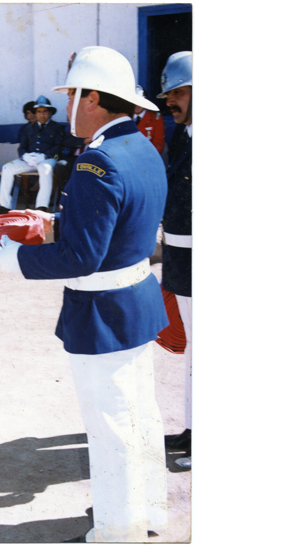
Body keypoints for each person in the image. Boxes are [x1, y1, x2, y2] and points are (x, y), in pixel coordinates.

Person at [0, 46, 169, 543]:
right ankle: (147, 512)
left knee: (110, 429)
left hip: (103, 311)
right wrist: (60, 222)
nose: (67, 106)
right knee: (140, 416)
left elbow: (81, 257)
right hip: (135, 300)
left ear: (92, 98)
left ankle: (116, 531)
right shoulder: (142, 147)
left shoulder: (98, 161)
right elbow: (120, 222)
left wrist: (13, 260)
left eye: (71, 96)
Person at [157, 51, 193, 472]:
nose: (171, 102)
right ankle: (192, 429)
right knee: (193, 354)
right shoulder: (183, 135)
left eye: (179, 93)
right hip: (181, 255)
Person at [0, 95, 65, 214]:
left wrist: (45, 156)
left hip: (49, 158)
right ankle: (4, 204)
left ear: (50, 113)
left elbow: (58, 147)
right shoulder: (29, 128)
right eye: (39, 112)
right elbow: (22, 146)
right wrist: (25, 156)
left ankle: (41, 206)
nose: (42, 114)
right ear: (35, 114)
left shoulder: (57, 127)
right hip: (30, 159)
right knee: (7, 168)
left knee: (44, 168)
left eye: (45, 111)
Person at [134, 85, 165, 155]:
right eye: (134, 101)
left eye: (140, 101)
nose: (137, 105)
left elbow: (158, 145)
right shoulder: (126, 118)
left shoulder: (156, 118)